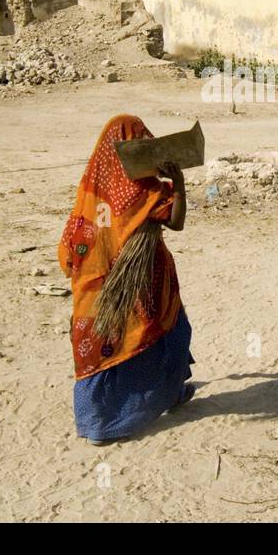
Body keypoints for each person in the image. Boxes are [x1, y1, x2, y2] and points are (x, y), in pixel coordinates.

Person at [58, 114, 193, 445]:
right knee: (162, 334)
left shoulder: (92, 190)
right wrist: (179, 186)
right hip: (146, 284)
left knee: (102, 350)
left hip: (98, 292)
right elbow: (176, 224)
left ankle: (97, 424)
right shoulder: (148, 190)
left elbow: (69, 249)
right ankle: (164, 395)